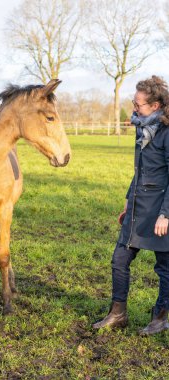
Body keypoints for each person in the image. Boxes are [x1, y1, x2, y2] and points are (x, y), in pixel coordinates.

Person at [93, 76, 169, 335]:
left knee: (165, 268)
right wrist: (129, 200)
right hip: (138, 208)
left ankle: (159, 318)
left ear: (156, 105)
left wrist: (165, 214)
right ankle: (118, 314)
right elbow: (140, 171)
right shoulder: (142, 128)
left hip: (161, 210)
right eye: (134, 103)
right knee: (119, 259)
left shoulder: (167, 132)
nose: (134, 108)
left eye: (139, 104)